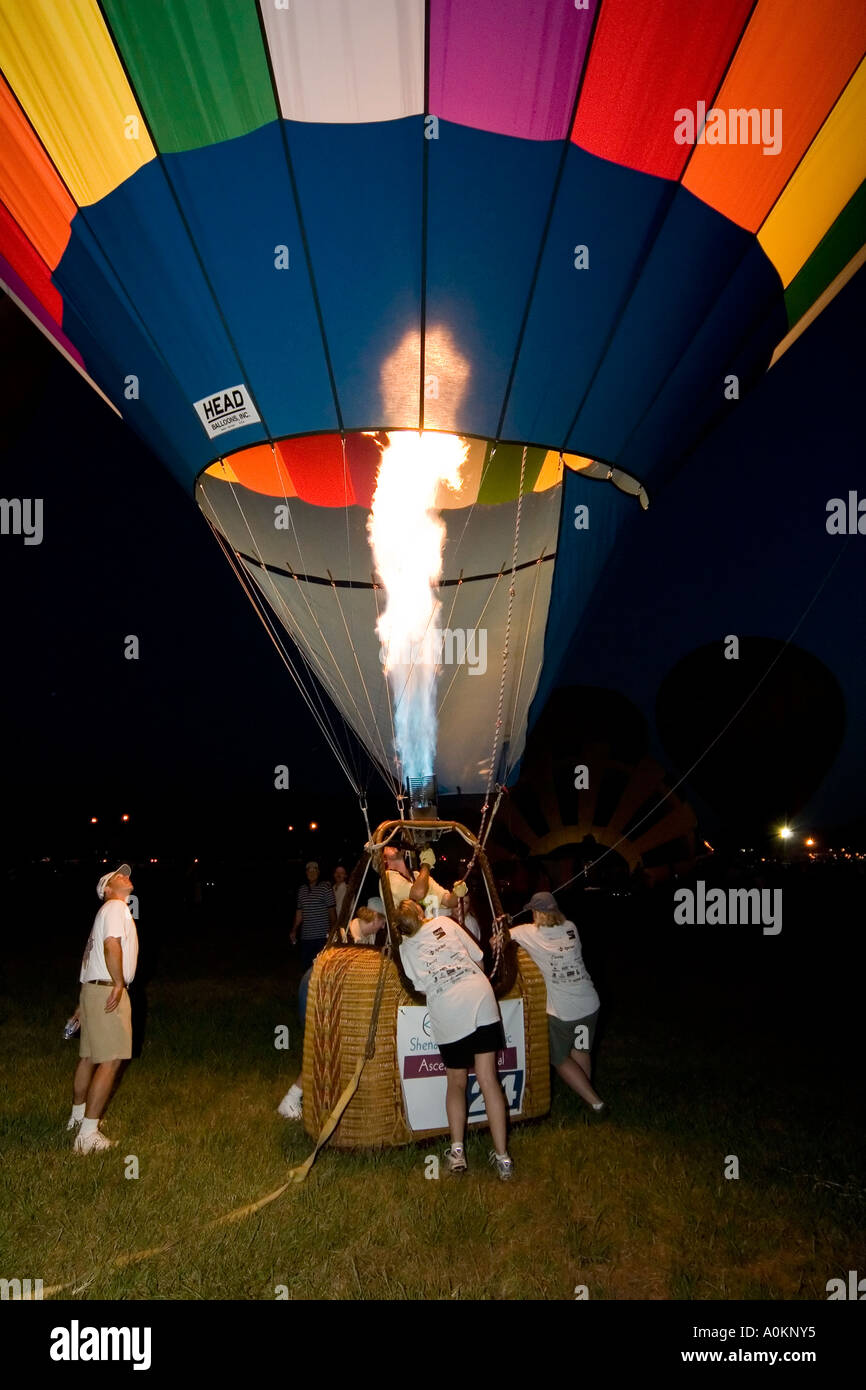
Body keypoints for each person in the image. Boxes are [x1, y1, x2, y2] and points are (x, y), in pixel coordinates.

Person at [397, 899, 513, 1180]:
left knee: (456, 1081)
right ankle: (503, 1158)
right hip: (480, 996)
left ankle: (458, 1152)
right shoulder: (444, 923)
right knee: (488, 1079)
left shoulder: (404, 949)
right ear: (421, 912)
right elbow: (479, 957)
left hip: (447, 1007)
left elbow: (420, 986)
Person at [278, 896, 389, 1121]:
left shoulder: (365, 936)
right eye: (382, 922)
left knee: (334, 1047)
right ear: (375, 918)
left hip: (332, 989)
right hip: (317, 986)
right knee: (321, 1045)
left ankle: (318, 1098)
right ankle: (289, 1100)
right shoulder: (345, 935)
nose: (384, 927)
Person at [509, 891, 605, 1113]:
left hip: (563, 1012)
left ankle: (595, 1102)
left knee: (559, 1058)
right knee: (581, 1049)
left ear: (536, 912)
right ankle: (586, 1097)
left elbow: (499, 938)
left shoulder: (527, 932)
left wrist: (503, 924)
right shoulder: (571, 926)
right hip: (589, 1003)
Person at [67, 863, 139, 1154]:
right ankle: (88, 1134)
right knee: (110, 1061)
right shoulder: (115, 907)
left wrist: (83, 1003)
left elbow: (89, 958)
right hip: (108, 989)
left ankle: (77, 1118)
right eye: (116, 876)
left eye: (125, 874)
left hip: (93, 989)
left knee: (88, 1057)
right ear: (106, 889)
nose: (125, 877)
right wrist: (119, 983)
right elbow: (111, 944)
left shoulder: (105, 912)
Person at [382, 844, 459, 919]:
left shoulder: (418, 876)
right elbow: (418, 893)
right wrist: (426, 864)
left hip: (432, 927)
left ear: (403, 851)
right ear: (382, 857)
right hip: (412, 931)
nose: (392, 845)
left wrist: (458, 890)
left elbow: (449, 901)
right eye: (387, 844)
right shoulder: (387, 877)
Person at [291, 861, 336, 972]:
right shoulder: (302, 890)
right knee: (306, 968)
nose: (312, 872)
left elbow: (332, 911)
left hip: (322, 937)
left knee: (322, 968)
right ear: (306, 873)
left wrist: (334, 930)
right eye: (309, 870)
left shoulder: (326, 887)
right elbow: (299, 913)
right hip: (306, 937)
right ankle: (307, 989)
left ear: (318, 872)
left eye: (314, 870)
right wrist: (294, 930)